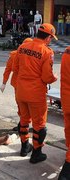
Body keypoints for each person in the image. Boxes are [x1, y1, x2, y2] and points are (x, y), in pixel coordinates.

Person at [13, 23, 58, 163]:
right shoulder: (47, 52)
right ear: (49, 37)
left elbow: (15, 68)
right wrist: (54, 78)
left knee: (24, 121)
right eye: (51, 37)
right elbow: (46, 77)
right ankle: (36, 154)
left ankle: (24, 147)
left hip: (20, 91)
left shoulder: (22, 47)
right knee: (39, 125)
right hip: (36, 94)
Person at [0, 38, 33, 131]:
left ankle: (24, 124)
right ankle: (24, 124)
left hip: (22, 85)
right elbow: (8, 69)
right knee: (25, 105)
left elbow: (8, 70)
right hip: (24, 85)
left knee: (22, 104)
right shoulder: (16, 55)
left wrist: (4, 83)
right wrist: (4, 82)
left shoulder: (15, 55)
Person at [58, 46, 70, 179]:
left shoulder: (67, 51)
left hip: (66, 99)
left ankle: (68, 148)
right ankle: (67, 170)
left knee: (68, 127)